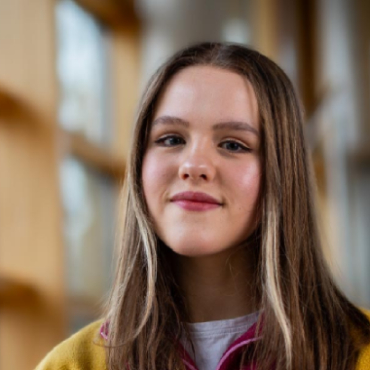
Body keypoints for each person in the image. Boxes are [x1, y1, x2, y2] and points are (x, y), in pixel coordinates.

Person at [36, 42, 370, 370]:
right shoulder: (69, 365)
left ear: (283, 173)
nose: (194, 165)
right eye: (171, 139)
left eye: (233, 144)